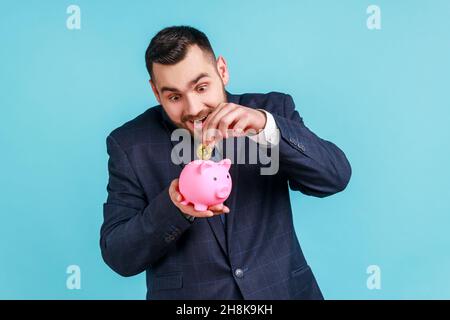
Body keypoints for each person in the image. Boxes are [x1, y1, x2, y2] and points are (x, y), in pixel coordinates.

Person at [100, 25, 352, 300]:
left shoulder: (271, 111)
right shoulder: (129, 144)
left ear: (222, 70)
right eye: (174, 97)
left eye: (202, 87)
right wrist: (174, 208)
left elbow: (334, 177)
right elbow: (119, 256)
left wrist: (265, 127)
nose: (193, 108)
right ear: (155, 92)